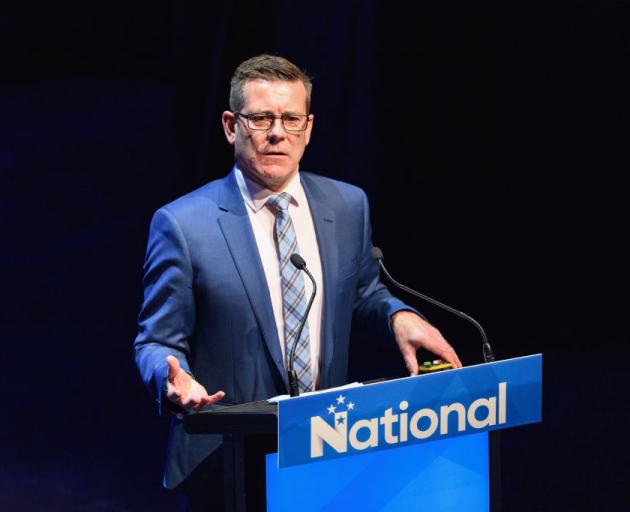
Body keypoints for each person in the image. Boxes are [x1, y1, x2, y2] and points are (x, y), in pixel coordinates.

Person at [134, 54, 461, 510]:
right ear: (231, 126)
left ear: (308, 129)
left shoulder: (347, 205)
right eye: (261, 118)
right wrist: (174, 381)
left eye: (290, 119)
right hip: (226, 461)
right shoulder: (183, 224)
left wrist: (398, 316)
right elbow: (156, 341)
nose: (276, 132)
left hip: (326, 450)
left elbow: (362, 292)